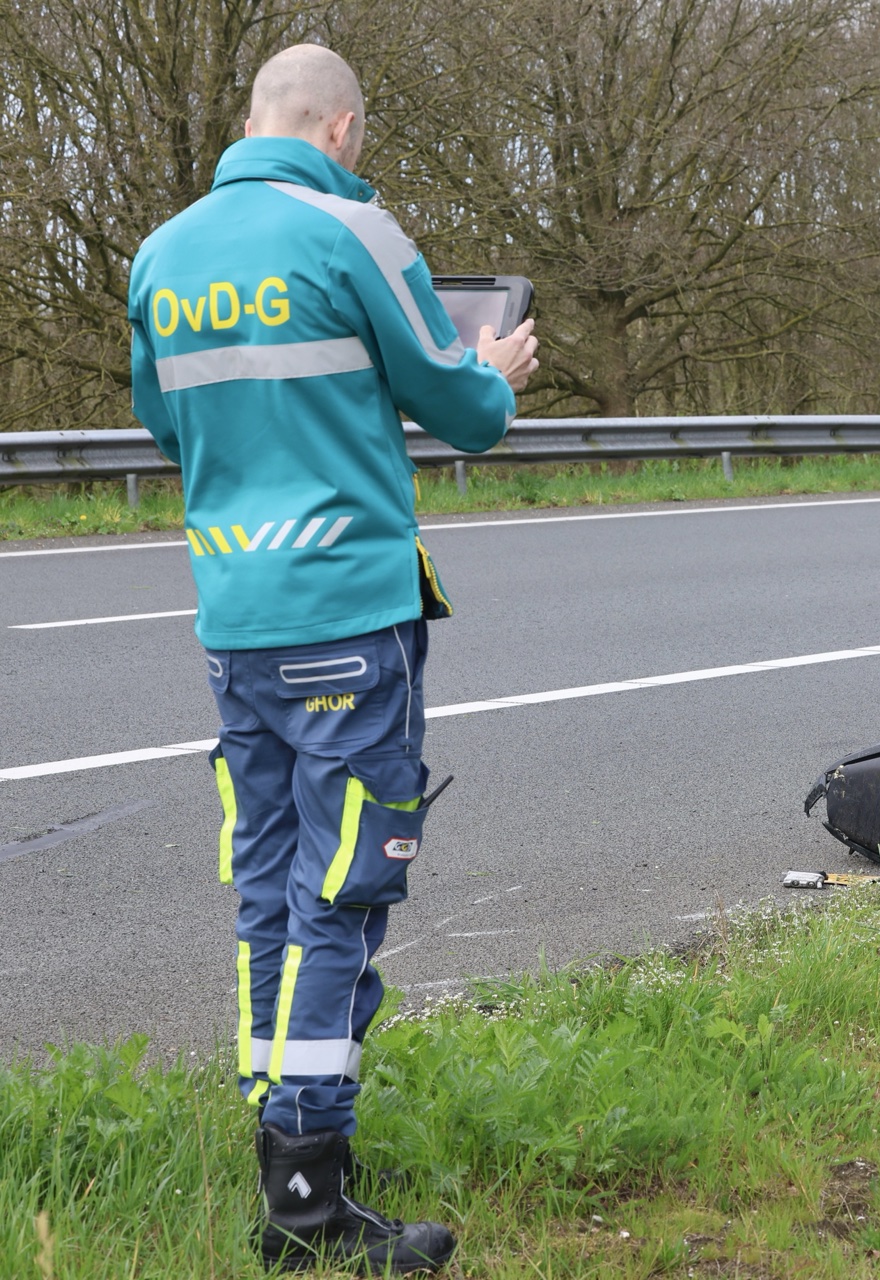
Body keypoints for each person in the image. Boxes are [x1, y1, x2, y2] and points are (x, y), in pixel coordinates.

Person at [127, 44, 537, 1275]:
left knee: (268, 881)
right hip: (350, 616)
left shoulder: (163, 252)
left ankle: (280, 1120)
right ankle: (307, 1196)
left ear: (259, 115)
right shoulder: (354, 229)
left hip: (235, 620)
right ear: (342, 127)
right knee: (345, 888)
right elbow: (462, 411)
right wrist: (497, 374)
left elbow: (167, 418)